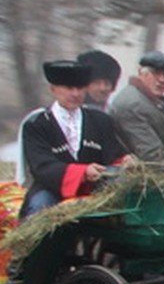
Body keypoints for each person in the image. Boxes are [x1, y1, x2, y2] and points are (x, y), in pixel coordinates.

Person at [19, 58, 132, 217]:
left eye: (80, 88)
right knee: (39, 209)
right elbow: (42, 167)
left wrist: (124, 162)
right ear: (53, 89)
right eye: (69, 88)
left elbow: (112, 156)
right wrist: (82, 172)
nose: (75, 94)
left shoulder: (101, 120)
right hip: (51, 190)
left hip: (95, 190)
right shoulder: (37, 124)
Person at [110, 51, 164, 169]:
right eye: (156, 73)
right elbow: (151, 153)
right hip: (139, 179)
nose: (162, 80)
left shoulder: (151, 100)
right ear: (141, 73)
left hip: (151, 176)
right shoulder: (133, 104)